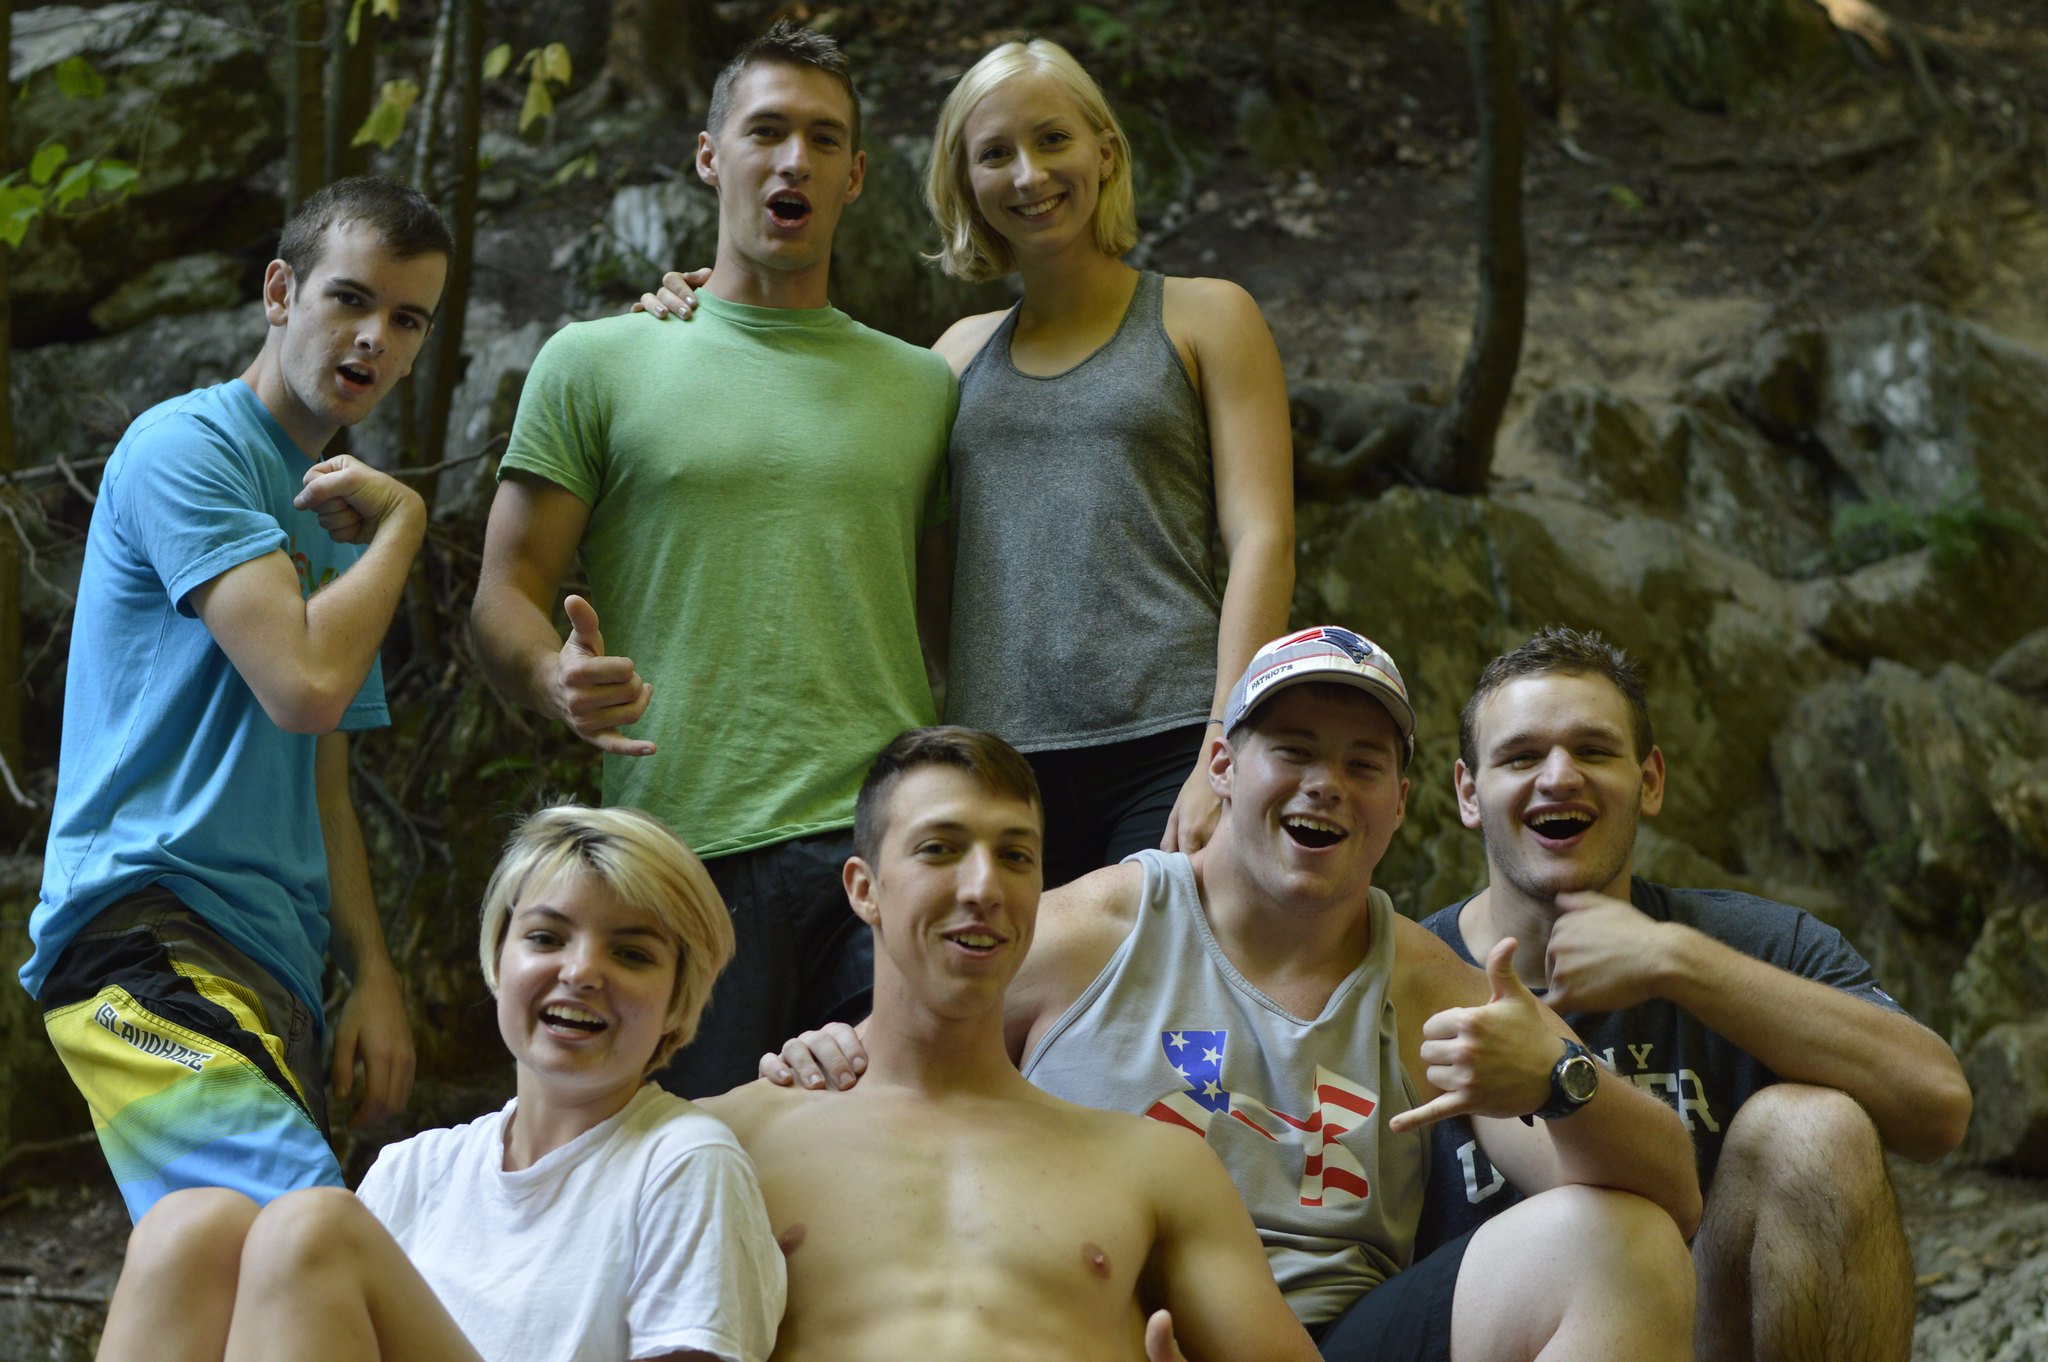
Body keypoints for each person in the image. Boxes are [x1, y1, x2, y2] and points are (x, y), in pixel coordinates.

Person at [765, 627, 1704, 1361]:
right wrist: (826, 1055)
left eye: (1362, 764)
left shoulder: (1423, 982)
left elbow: (1672, 1194)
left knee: (1621, 1244)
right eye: (1292, 750)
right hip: (1100, 1324)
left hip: (1337, 1337)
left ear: (1401, 800)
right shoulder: (1090, 930)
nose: (1325, 785)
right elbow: (908, 1041)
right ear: (1222, 765)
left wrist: (1558, 1079)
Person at [642, 37, 1294, 889]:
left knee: (1153, 1012)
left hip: (1169, 743)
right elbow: (830, 454)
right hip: (996, 772)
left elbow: (1264, 538)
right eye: (995, 154)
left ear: (1105, 150)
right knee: (1015, 1022)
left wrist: (1225, 742)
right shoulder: (947, 360)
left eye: (1052, 140)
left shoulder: (1206, 317)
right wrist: (695, 312)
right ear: (966, 184)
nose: (1028, 175)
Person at [472, 21, 957, 1098]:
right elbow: (502, 595)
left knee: (867, 1181)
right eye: (765, 131)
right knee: (692, 1166)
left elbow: (939, 626)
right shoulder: (598, 361)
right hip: (680, 850)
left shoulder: (923, 388)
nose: (792, 160)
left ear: (854, 175)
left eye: (821, 139)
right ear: (710, 156)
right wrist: (555, 680)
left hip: (871, 857)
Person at [24, 177, 450, 1221]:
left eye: (406, 320)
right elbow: (302, 687)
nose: (373, 341)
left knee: (225, 1290)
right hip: (147, 938)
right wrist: (404, 531)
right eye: (348, 300)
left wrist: (373, 975)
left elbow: (326, 785)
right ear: (278, 291)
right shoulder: (191, 451)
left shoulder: (333, 514)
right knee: (315, 1239)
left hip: (274, 969)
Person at [1415, 624, 1973, 1362]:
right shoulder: (1405, 973)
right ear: (1467, 792)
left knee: (1816, 1129)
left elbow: (1938, 1108)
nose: (1558, 778)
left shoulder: (1752, 942)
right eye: (1521, 756)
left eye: (1593, 750)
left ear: (1650, 781)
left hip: (1715, 1330)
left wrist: (1676, 960)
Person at [705, 728, 1319, 1362]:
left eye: (1016, 856)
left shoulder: (1157, 1167)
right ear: (865, 889)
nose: (984, 889)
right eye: (940, 849)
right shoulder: (727, 1142)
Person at [93, 804, 786, 1362]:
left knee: (312, 1226)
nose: (581, 971)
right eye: (546, 938)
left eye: (631, 952)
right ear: (499, 958)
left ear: (676, 1003)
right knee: (187, 1226)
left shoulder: (685, 1161)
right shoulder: (415, 1171)